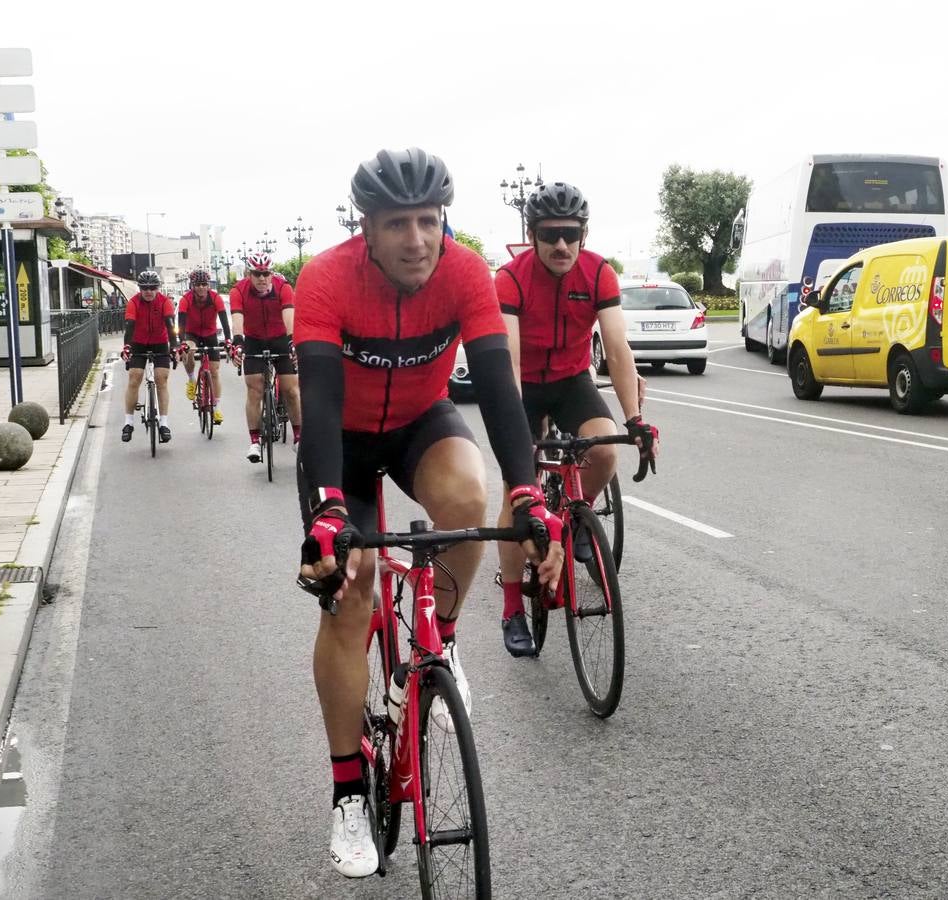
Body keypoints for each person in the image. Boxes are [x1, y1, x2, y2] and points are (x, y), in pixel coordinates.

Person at [294, 147, 563, 878]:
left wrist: (529, 491)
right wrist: (325, 511)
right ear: (367, 228)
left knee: (468, 500)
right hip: (341, 444)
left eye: (429, 220)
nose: (418, 239)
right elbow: (316, 403)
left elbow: (502, 394)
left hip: (420, 422)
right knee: (351, 599)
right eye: (398, 224)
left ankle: (438, 639)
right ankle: (348, 790)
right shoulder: (325, 277)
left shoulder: (465, 271)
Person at [493, 181, 659, 657]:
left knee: (605, 447)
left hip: (569, 379)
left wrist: (635, 418)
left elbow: (617, 346)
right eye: (550, 234)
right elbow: (509, 358)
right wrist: (520, 444)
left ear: (584, 233)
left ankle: (574, 520)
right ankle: (511, 607)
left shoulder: (599, 272)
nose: (561, 244)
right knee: (515, 492)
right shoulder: (511, 279)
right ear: (532, 233)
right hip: (521, 384)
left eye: (571, 233)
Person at [229, 252, 300, 463]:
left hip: (280, 338)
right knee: (254, 389)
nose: (262, 278)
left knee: (291, 390)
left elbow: (289, 314)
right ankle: (254, 441)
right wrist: (238, 343)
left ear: (271, 273)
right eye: (257, 274)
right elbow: (237, 318)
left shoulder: (284, 287)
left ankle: (299, 437)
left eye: (266, 273)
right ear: (249, 274)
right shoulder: (238, 290)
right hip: (253, 340)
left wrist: (292, 340)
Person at [120, 270, 179, 443]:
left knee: (161, 379)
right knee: (134, 377)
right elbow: (129, 326)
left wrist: (174, 346)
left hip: (160, 343)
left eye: (153, 288)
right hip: (138, 343)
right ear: (139, 288)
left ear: (158, 288)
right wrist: (127, 347)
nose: (148, 291)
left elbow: (170, 325)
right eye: (145, 288)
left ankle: (164, 423)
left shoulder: (165, 302)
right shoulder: (133, 302)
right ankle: (128, 422)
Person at [177, 268, 230, 426]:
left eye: (204, 284)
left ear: (208, 286)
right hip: (191, 333)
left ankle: (217, 408)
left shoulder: (216, 298)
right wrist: (182, 343)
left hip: (210, 334)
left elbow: (225, 321)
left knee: (214, 372)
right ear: (192, 286)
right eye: (197, 284)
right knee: (189, 350)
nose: (201, 287)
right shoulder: (185, 300)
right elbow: (181, 324)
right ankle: (192, 379)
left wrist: (228, 340)